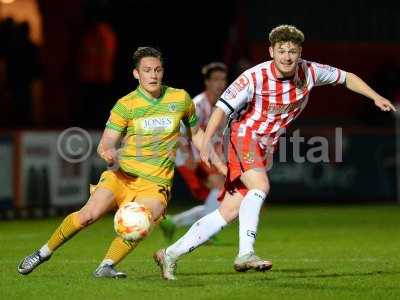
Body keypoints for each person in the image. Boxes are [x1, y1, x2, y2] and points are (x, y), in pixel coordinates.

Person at [153, 25, 396, 280]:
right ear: (271, 51)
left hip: (265, 146)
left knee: (229, 210)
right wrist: (204, 144)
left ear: (299, 51)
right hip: (242, 136)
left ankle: (170, 253)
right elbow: (222, 108)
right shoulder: (253, 77)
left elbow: (347, 77)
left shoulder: (310, 71)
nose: (287, 57)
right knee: (260, 186)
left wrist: (375, 96)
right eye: (282, 51)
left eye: (292, 51)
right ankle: (245, 254)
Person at [17, 46, 225, 278]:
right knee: (88, 215)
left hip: (155, 182)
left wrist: (212, 157)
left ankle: (106, 266)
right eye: (147, 70)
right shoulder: (126, 105)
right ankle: (43, 252)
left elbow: (196, 134)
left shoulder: (180, 98)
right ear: (136, 74)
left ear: (163, 72)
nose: (153, 75)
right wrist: (108, 153)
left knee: (142, 222)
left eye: (157, 70)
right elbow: (105, 143)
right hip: (122, 176)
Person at [159, 62, 228, 242]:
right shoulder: (198, 104)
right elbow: (180, 131)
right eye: (216, 79)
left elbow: (219, 136)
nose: (220, 83)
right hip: (186, 156)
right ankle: (206, 231)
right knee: (220, 189)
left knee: (219, 197)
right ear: (207, 82)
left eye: (223, 79)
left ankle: (174, 222)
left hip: (205, 156)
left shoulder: (223, 106)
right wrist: (188, 154)